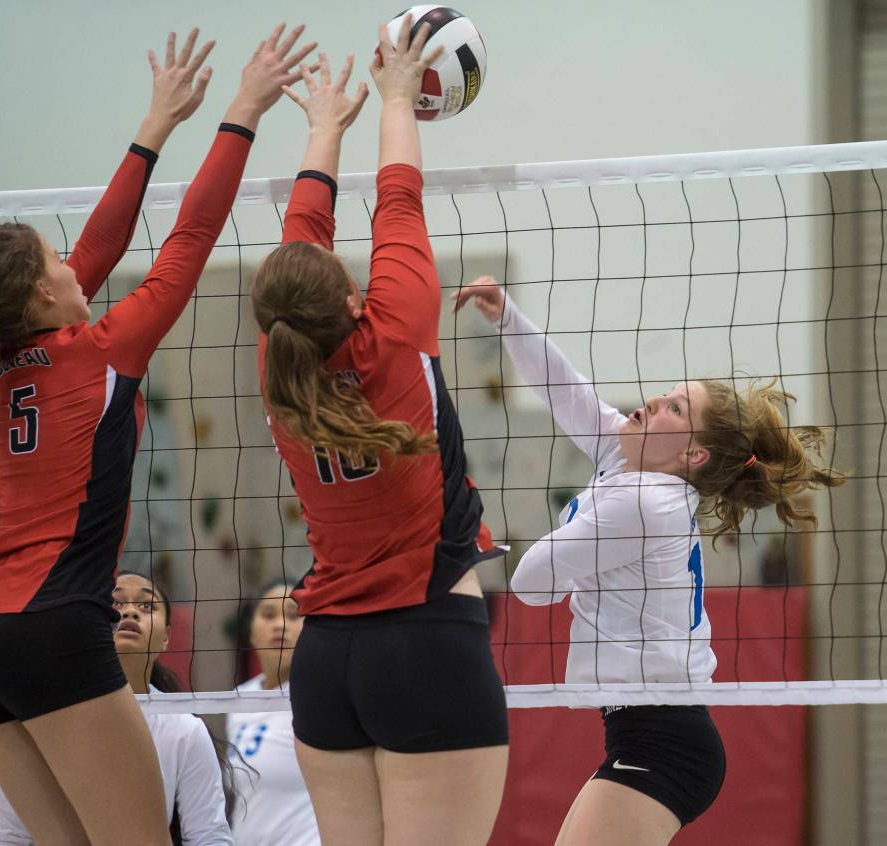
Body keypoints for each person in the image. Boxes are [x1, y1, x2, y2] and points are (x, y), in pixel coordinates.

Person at [0, 25, 315, 846]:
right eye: (59, 259)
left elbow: (103, 243)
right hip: (51, 630)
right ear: (44, 292)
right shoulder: (102, 353)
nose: (78, 263)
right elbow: (189, 240)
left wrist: (155, 126)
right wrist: (243, 111)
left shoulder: (7, 358)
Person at [454, 274, 846, 845]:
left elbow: (531, 583)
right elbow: (570, 393)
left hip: (663, 741)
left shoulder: (645, 501)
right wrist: (507, 315)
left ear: (692, 452)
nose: (652, 401)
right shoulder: (633, 466)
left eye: (674, 407)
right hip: (647, 734)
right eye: (665, 393)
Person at [249, 18, 509, 846]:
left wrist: (325, 127)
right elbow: (398, 196)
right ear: (355, 301)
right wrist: (395, 96)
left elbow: (304, 244)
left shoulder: (275, 360)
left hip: (326, 664)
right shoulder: (394, 331)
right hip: (426, 643)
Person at [0, 571, 234, 845]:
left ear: (166, 637)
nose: (129, 613)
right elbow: (6, 839)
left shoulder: (183, 729)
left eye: (146, 606)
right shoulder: (32, 721)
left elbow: (209, 837)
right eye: (115, 603)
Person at [226, 580, 319, 845]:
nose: (280, 625)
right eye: (268, 615)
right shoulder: (238, 699)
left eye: (293, 615)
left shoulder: (321, 696)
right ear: (251, 632)